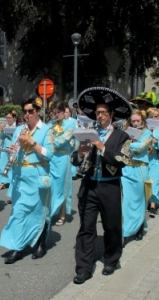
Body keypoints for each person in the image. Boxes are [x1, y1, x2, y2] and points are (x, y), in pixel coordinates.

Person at [71, 87, 132, 284]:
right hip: (89, 185)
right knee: (86, 227)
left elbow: (123, 160)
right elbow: (74, 160)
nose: (100, 116)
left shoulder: (122, 136)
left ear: (111, 115)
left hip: (110, 186)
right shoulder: (88, 133)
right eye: (98, 112)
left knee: (112, 226)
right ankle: (84, 268)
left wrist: (102, 147)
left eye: (104, 113)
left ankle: (111, 260)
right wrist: (80, 153)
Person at [0, 97, 54, 264]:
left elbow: (49, 153)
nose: (27, 114)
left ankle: (41, 244)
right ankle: (18, 247)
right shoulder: (19, 130)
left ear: (38, 112)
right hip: (20, 176)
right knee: (19, 212)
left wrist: (33, 142)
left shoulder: (47, 130)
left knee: (40, 212)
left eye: (31, 111)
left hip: (37, 174)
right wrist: (11, 151)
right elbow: (15, 152)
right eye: (26, 112)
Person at [121, 109, 152, 247]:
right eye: (133, 121)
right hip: (127, 169)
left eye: (138, 121)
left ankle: (139, 226)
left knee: (139, 200)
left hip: (140, 169)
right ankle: (126, 231)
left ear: (142, 121)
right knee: (126, 201)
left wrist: (128, 143)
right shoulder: (126, 131)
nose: (135, 123)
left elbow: (140, 147)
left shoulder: (147, 133)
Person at [48, 101, 75, 226]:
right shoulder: (51, 124)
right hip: (51, 157)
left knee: (61, 185)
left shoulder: (71, 124)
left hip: (62, 157)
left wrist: (50, 140)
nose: (57, 115)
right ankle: (51, 211)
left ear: (64, 112)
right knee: (51, 185)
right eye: (55, 113)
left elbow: (62, 140)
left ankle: (62, 214)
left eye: (59, 112)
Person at [0, 110, 17, 190]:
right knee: (2, 164)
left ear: (14, 118)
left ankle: (9, 181)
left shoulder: (16, 126)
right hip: (4, 147)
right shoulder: (6, 126)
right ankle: (2, 181)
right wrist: (2, 131)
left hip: (11, 147)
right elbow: (1, 137)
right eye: (7, 118)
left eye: (9, 118)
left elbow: (14, 134)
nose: (8, 119)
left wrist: (6, 130)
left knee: (10, 165)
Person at [146, 107, 159, 217]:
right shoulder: (145, 129)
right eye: (152, 116)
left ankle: (153, 205)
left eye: (156, 116)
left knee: (154, 182)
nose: (154, 118)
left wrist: (157, 142)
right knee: (145, 182)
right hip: (145, 160)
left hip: (155, 159)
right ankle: (146, 202)